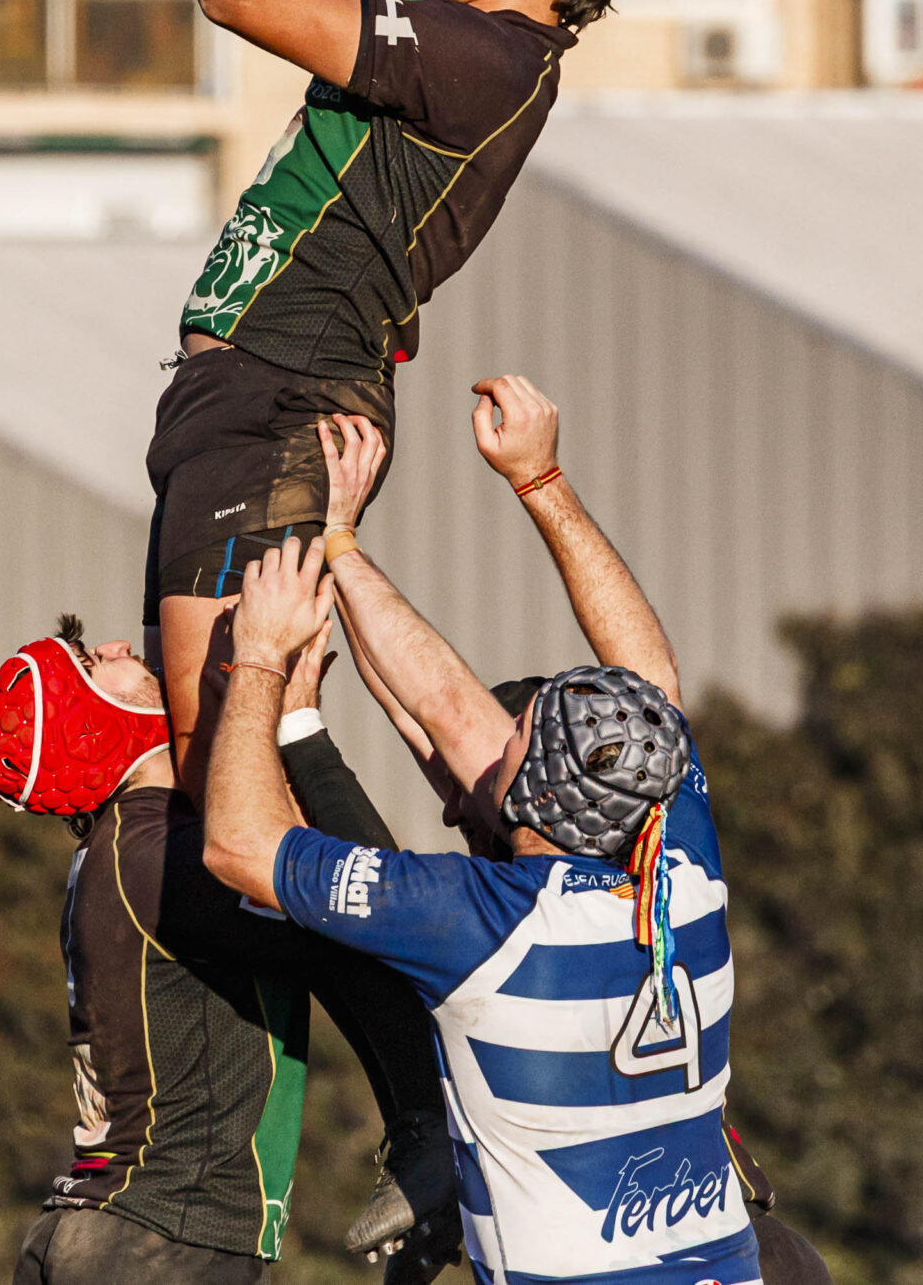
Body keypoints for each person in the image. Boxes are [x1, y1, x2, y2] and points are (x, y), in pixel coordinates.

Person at [55, 0, 651, 798]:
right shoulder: (450, 8)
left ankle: (360, 928)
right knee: (220, 756)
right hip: (248, 393)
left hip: (283, 398)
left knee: (229, 769)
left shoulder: (482, 58)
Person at [211, 377, 836, 1284]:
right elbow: (639, 683)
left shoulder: (480, 925)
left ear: (528, 795)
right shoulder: (682, 873)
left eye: (512, 736)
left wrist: (262, 658)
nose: (486, 733)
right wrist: (532, 481)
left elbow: (238, 844)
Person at [0, 617, 459, 1284]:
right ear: (83, 727)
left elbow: (343, 951)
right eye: (92, 662)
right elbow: (375, 905)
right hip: (158, 1243)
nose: (118, 645)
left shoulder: (127, 846)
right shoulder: (162, 855)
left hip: (112, 1231)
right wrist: (297, 725)